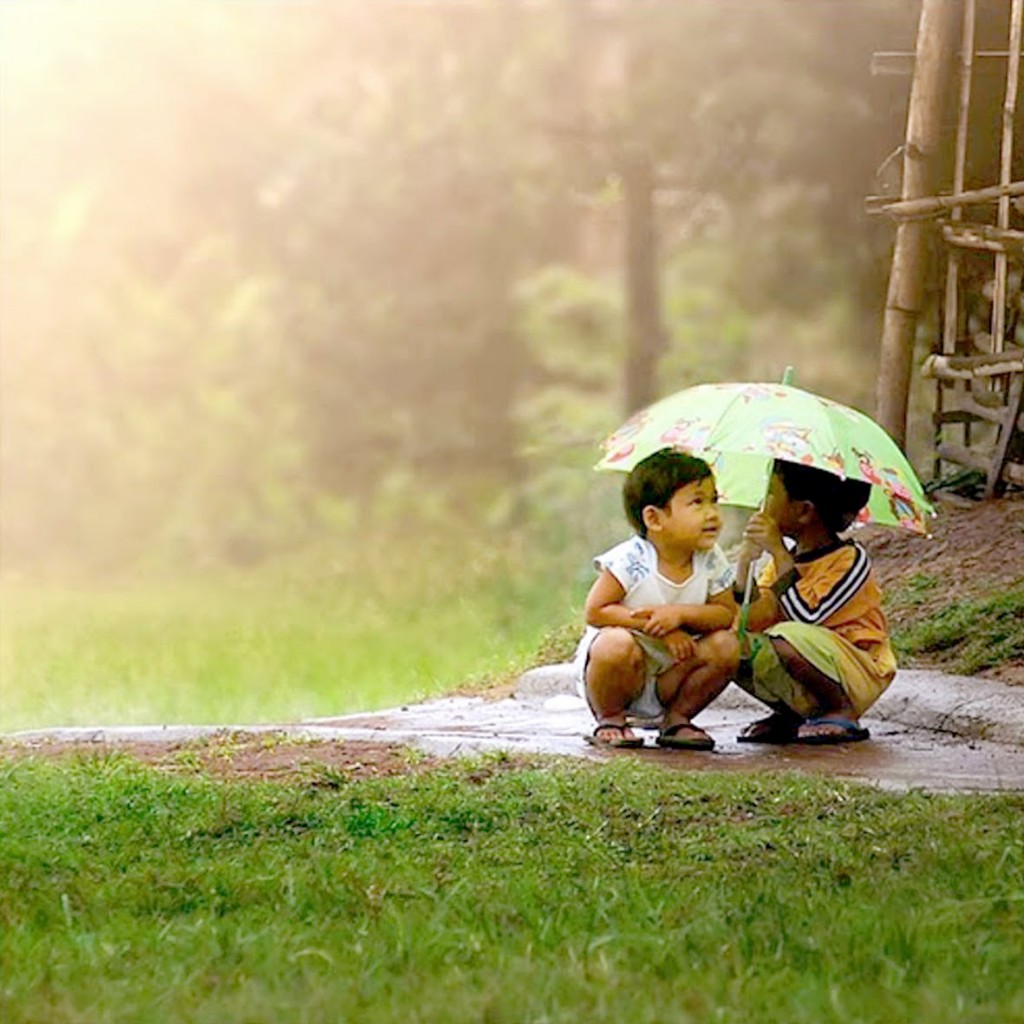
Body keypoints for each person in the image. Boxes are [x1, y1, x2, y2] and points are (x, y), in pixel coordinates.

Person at [695, 459, 897, 745]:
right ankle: (793, 713)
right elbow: (753, 617)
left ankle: (841, 710)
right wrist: (745, 562)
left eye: (773, 493)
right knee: (732, 642)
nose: (764, 503)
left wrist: (778, 552)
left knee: (785, 639)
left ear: (804, 511)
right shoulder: (785, 559)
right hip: (800, 648)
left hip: (856, 671)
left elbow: (806, 615)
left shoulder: (849, 560)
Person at [573, 449, 737, 750]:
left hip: (673, 672)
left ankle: (677, 720)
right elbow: (596, 611)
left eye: (714, 500)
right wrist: (661, 627)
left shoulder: (711, 559)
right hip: (621, 672)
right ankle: (611, 718)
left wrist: (681, 614)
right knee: (615, 644)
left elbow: (725, 613)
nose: (712, 513)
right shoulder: (631, 559)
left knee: (726, 646)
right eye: (697, 502)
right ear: (654, 518)